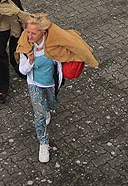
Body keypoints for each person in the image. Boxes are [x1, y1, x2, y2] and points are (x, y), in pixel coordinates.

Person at [15, 12, 98, 163]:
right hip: (34, 84)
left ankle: (47, 109)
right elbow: (22, 70)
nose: (30, 36)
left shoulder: (54, 44)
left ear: (43, 32)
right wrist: (30, 61)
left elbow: (71, 50)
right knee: (39, 115)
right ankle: (44, 143)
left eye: (34, 33)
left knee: (51, 103)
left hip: (51, 83)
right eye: (28, 32)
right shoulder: (25, 46)